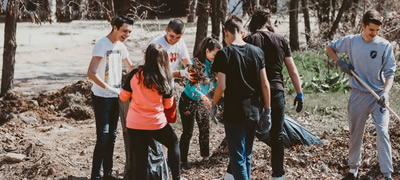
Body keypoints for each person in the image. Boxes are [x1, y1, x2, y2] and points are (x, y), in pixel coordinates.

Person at [326, 9, 396, 180]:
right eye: (371, 29)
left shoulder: (384, 45)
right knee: (356, 132)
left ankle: (387, 173)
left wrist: (385, 93)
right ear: (362, 25)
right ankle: (353, 170)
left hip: (378, 96)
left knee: (382, 132)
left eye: (377, 30)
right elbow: (329, 47)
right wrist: (340, 62)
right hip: (358, 94)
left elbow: (390, 73)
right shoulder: (351, 41)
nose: (374, 33)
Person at [244, 8, 303, 180]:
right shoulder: (281, 40)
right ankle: (278, 175)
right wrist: (299, 94)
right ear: (268, 22)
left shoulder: (249, 40)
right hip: (277, 91)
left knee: (247, 133)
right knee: (277, 134)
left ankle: (239, 173)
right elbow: (292, 70)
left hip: (254, 93)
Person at [211, 16, 271, 180]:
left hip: (234, 112)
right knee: (247, 155)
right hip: (253, 110)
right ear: (242, 32)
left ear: (226, 32)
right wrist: (268, 110)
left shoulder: (224, 54)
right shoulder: (257, 52)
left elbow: (221, 86)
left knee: (237, 157)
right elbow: (265, 84)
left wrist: (213, 104)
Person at [120, 43, 182, 180]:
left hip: (135, 124)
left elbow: (123, 96)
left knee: (141, 156)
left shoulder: (134, 75)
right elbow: (168, 104)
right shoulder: (163, 78)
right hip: (156, 124)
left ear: (146, 57)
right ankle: (177, 177)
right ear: (164, 60)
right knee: (173, 143)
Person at [87, 16, 134, 180]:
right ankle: (95, 175)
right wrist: (110, 89)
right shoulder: (102, 44)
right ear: (115, 27)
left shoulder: (121, 46)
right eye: (124, 30)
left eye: (129, 31)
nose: (127, 34)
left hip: (116, 97)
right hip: (101, 97)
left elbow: (131, 67)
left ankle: (108, 173)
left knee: (113, 135)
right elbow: (91, 73)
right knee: (104, 136)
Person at [179, 37, 222, 169]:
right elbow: (191, 86)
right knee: (188, 131)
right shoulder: (195, 64)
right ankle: (182, 160)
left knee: (205, 129)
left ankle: (205, 157)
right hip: (188, 100)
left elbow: (216, 84)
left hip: (202, 102)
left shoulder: (215, 66)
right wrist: (203, 96)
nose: (216, 57)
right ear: (207, 51)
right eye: (215, 54)